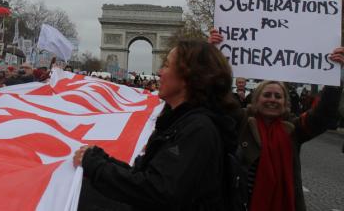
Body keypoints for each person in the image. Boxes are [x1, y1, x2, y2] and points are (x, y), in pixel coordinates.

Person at [73, 40, 239, 210]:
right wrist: (101, 159)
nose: (159, 72)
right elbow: (147, 176)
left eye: (166, 65)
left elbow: (157, 191)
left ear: (187, 77)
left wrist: (96, 166)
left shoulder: (198, 129)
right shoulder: (181, 123)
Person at [209, 28, 344, 210]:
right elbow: (215, 98)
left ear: (285, 103)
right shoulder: (240, 119)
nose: (272, 99)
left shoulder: (295, 128)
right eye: (267, 95)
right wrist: (212, 56)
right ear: (256, 99)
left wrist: (335, 75)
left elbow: (323, 115)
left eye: (278, 96)